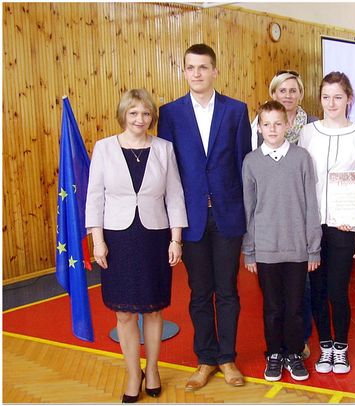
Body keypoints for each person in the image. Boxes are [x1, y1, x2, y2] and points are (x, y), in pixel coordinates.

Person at [157, 43, 251, 391]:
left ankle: (227, 358)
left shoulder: (236, 110)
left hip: (228, 216)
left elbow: (243, 165)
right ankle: (205, 359)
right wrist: (171, 225)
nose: (196, 73)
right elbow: (168, 171)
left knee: (227, 291)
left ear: (215, 71)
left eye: (203, 67)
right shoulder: (170, 113)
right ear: (184, 72)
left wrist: (247, 216)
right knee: (199, 292)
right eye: (190, 67)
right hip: (190, 217)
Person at [86, 88, 188, 403]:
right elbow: (95, 197)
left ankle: (153, 368)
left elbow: (175, 196)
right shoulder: (104, 148)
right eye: (133, 113)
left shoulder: (164, 149)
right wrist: (98, 241)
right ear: (123, 115)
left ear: (152, 117)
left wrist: (176, 239)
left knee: (154, 309)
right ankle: (133, 373)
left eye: (145, 113)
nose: (140, 119)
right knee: (124, 314)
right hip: (117, 240)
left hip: (154, 238)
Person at [242, 100, 322, 382]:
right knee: (273, 307)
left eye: (278, 123)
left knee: (295, 307)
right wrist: (249, 251)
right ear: (259, 128)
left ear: (288, 125)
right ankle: (274, 354)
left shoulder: (302, 158)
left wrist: (313, 248)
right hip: (266, 250)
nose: (272, 129)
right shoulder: (251, 162)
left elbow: (311, 205)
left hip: (297, 249)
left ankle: (293, 353)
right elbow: (249, 209)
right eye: (267, 124)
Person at [298, 71, 355, 375]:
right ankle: (325, 345)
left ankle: (341, 347)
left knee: (337, 290)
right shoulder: (308, 133)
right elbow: (301, 180)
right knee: (316, 288)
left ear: (349, 99)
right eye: (326, 97)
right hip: (313, 225)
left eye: (338, 97)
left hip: (344, 226)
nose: (331, 103)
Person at [251, 70, 318, 150]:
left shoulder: (313, 123)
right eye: (282, 91)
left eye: (293, 91)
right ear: (274, 94)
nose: (288, 96)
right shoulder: (262, 122)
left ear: (300, 94)